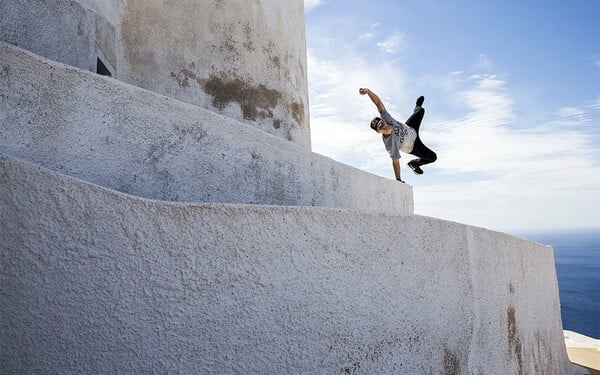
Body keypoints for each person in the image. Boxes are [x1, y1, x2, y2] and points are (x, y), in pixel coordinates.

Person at [359, 88, 437, 183]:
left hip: (410, 128)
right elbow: (395, 162)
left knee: (421, 111)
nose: (383, 126)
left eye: (382, 123)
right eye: (380, 127)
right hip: (414, 146)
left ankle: (417, 107)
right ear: (378, 132)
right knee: (432, 157)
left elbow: (378, 103)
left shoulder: (386, 118)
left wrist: (368, 92)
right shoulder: (389, 144)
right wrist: (398, 179)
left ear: (383, 120)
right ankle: (414, 164)